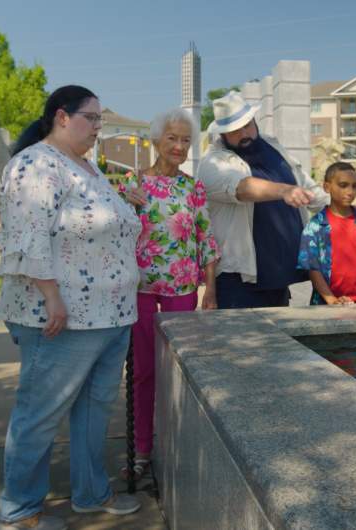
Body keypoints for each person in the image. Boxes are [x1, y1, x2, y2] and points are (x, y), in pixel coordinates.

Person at [0, 85, 142, 530]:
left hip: (111, 314)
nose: (99, 127)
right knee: (39, 413)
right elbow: (27, 235)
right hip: (62, 317)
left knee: (95, 409)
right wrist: (51, 294)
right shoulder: (36, 164)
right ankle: (18, 512)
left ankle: (90, 493)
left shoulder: (88, 168)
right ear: (62, 116)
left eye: (100, 120)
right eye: (92, 118)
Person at [122, 108, 219, 476]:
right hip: (141, 291)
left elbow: (205, 238)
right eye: (172, 139)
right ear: (155, 141)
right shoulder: (133, 182)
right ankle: (142, 449)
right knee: (144, 371)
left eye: (185, 141)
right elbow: (118, 234)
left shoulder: (193, 187)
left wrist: (210, 289)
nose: (179, 147)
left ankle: (177, 442)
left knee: (178, 371)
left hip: (181, 290)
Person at [197, 91, 329, 309]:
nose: (244, 133)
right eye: (234, 130)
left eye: (247, 125)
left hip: (278, 278)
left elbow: (304, 184)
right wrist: (284, 191)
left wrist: (341, 209)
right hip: (239, 282)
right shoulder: (212, 163)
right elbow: (242, 188)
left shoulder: (272, 146)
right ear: (222, 134)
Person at [297, 161, 356, 305]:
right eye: (343, 185)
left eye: (354, 186)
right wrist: (331, 299)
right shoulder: (316, 226)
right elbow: (313, 268)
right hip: (326, 304)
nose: (350, 191)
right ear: (327, 187)